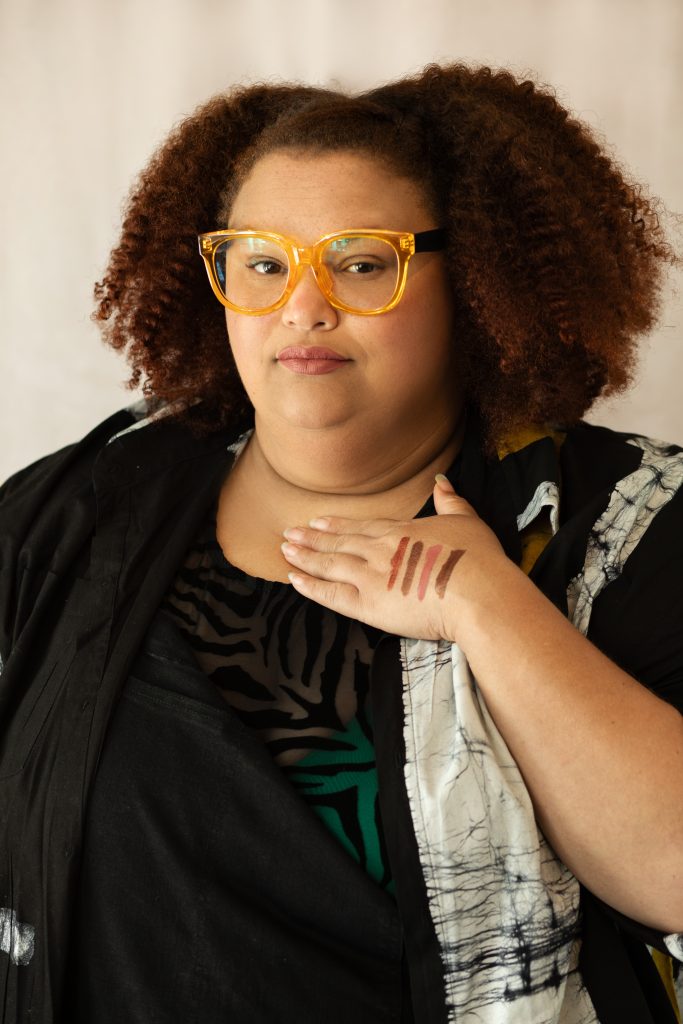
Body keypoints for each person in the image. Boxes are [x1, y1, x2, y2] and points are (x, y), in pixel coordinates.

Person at [0, 62, 681, 1024]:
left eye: (360, 263)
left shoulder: (627, 522)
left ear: (478, 280)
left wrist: (489, 609)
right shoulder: (73, 513)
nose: (302, 305)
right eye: (262, 262)